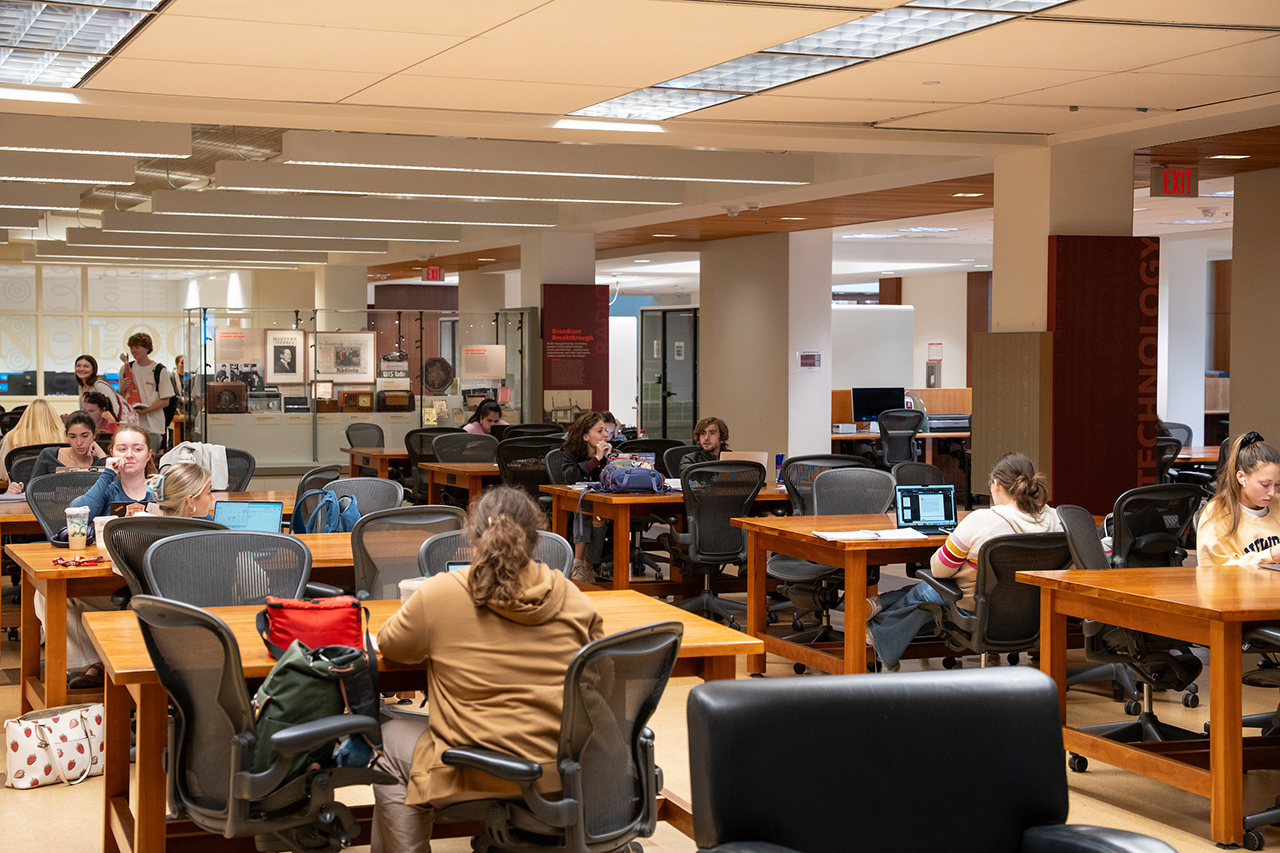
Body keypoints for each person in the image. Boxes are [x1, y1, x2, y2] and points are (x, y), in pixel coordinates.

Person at [372, 486, 603, 853]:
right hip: (563, 768)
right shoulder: (570, 595)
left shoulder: (441, 593)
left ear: (471, 540)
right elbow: (597, 675)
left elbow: (390, 645)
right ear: (533, 539)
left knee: (387, 740)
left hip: (473, 768)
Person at [866, 452, 1062, 670]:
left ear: (995, 485)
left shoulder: (982, 520)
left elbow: (939, 570)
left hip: (978, 610)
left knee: (929, 590)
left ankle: (877, 627)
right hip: (1033, 614)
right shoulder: (1055, 518)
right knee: (931, 592)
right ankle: (878, 606)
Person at [1196, 432, 1280, 566]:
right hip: (1238, 586)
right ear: (1241, 478)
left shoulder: (1277, 504)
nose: (1272, 492)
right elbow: (1213, 571)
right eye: (1265, 484)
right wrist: (1271, 555)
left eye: (1277, 484)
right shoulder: (1217, 513)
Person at [560, 411, 614, 581]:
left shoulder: (610, 452)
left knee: (598, 517)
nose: (606, 434)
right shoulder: (571, 452)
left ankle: (588, 565)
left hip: (602, 504)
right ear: (585, 436)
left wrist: (608, 460)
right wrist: (595, 459)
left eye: (605, 430)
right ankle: (578, 565)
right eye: (599, 431)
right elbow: (571, 477)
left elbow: (616, 480)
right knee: (584, 508)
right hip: (576, 503)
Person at [69, 424, 158, 520]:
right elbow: (75, 519)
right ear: (112, 454)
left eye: (137, 449)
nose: (129, 455)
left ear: (148, 455)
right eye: (122, 449)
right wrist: (107, 475)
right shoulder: (107, 491)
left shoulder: (161, 491)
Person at [117, 332, 176, 451]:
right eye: (131, 347)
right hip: (131, 425)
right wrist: (122, 389)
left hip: (154, 426)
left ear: (147, 348)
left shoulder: (159, 370)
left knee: (148, 457)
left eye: (137, 347)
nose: (133, 350)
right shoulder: (126, 368)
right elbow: (121, 398)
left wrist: (146, 411)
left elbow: (165, 401)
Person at [0, 398, 66, 488]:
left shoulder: (12, 437)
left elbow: (3, 475)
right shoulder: (64, 436)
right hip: (57, 489)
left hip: (21, 490)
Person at [27, 411, 108, 480]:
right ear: (67, 437)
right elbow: (32, 489)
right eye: (72, 437)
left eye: (85, 436)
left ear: (94, 434)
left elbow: (114, 490)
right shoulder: (49, 456)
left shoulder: (101, 460)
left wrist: (102, 456)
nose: (79, 442)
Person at [147, 461, 214, 518]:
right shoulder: (202, 531)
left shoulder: (148, 530)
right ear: (190, 501)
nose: (212, 498)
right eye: (209, 492)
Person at [74, 354, 120, 418]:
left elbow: (115, 409)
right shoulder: (81, 387)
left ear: (93, 369)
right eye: (78, 366)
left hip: (105, 426)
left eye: (86, 366)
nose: (81, 369)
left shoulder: (99, 385)